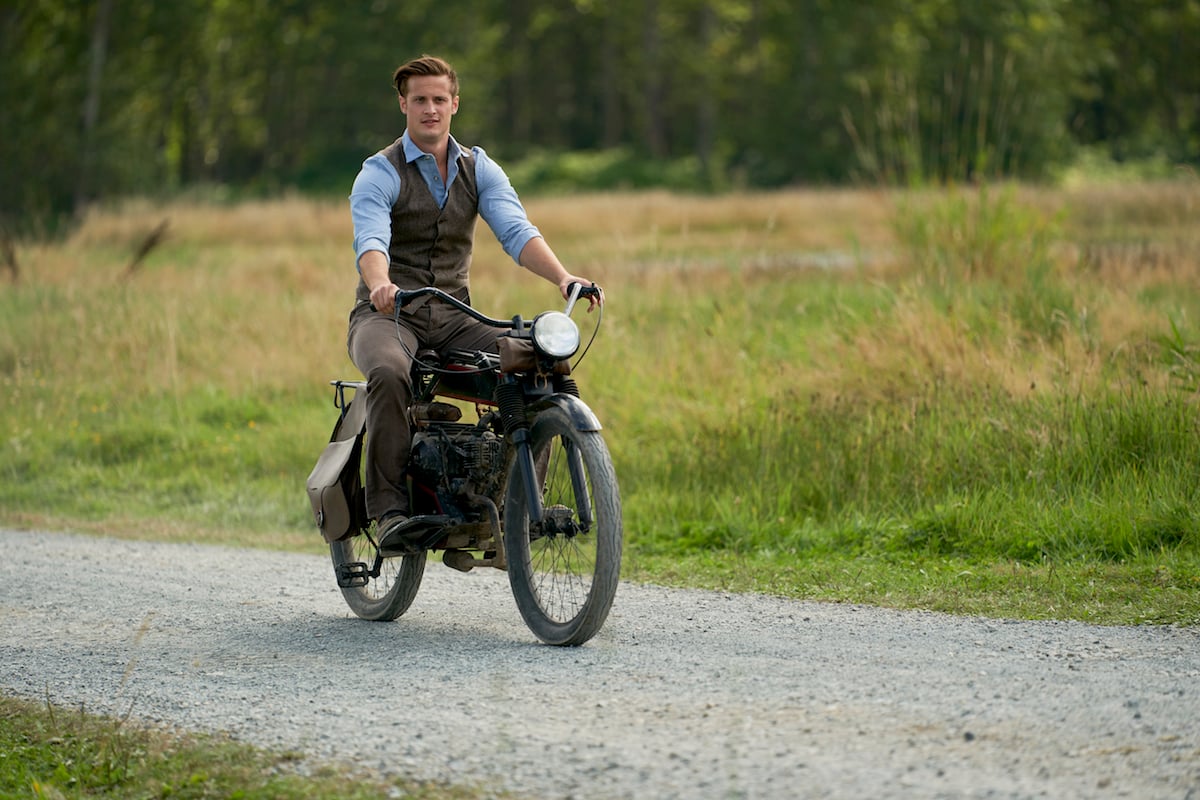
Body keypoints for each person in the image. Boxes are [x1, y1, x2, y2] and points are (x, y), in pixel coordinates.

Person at [346, 54, 602, 549]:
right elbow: (370, 241)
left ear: (454, 104)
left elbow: (516, 231)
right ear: (403, 104)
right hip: (386, 315)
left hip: (456, 315)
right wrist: (380, 283)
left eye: (439, 99)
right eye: (419, 100)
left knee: (536, 362)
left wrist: (564, 277)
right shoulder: (379, 172)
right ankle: (390, 513)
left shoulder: (478, 168)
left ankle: (517, 504)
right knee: (390, 373)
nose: (430, 109)